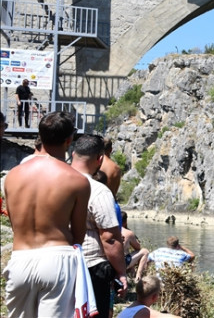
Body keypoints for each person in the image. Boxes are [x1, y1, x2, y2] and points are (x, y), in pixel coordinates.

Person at [2, 111, 91, 317]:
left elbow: (15, 224)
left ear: (40, 136)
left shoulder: (12, 176)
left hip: (21, 258)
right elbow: (79, 236)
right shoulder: (76, 180)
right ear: (69, 140)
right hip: (57, 258)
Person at [72, 134, 128, 318]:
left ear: (73, 154)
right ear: (100, 159)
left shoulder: (54, 182)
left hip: (60, 261)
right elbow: (109, 238)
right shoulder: (98, 191)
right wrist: (121, 272)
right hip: (91, 265)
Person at [121, 211, 150, 283]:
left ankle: (132, 276)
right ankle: (138, 277)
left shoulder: (108, 231)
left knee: (128, 254)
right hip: (122, 263)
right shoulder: (128, 233)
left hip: (109, 262)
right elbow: (138, 248)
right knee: (145, 251)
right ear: (125, 221)